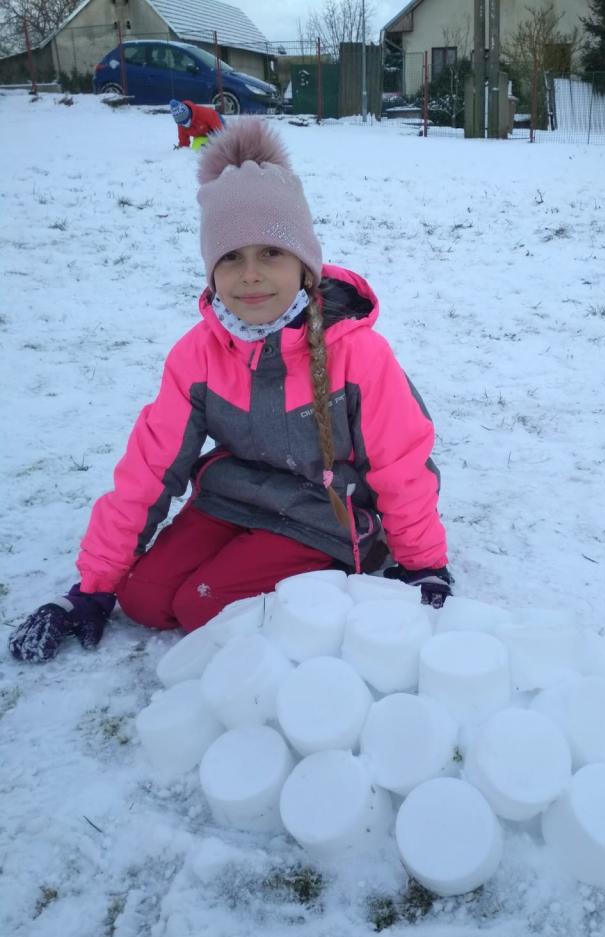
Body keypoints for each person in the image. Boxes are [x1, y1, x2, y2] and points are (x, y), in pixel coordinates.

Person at [9, 118, 452, 664]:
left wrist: (423, 563)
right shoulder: (198, 355)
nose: (250, 275)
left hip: (321, 516)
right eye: (231, 257)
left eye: (271, 253)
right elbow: (149, 470)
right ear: (211, 270)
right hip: (232, 500)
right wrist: (92, 586)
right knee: (144, 598)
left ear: (304, 265)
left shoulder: (359, 355)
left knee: (201, 605)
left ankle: (334, 565)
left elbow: (402, 464)